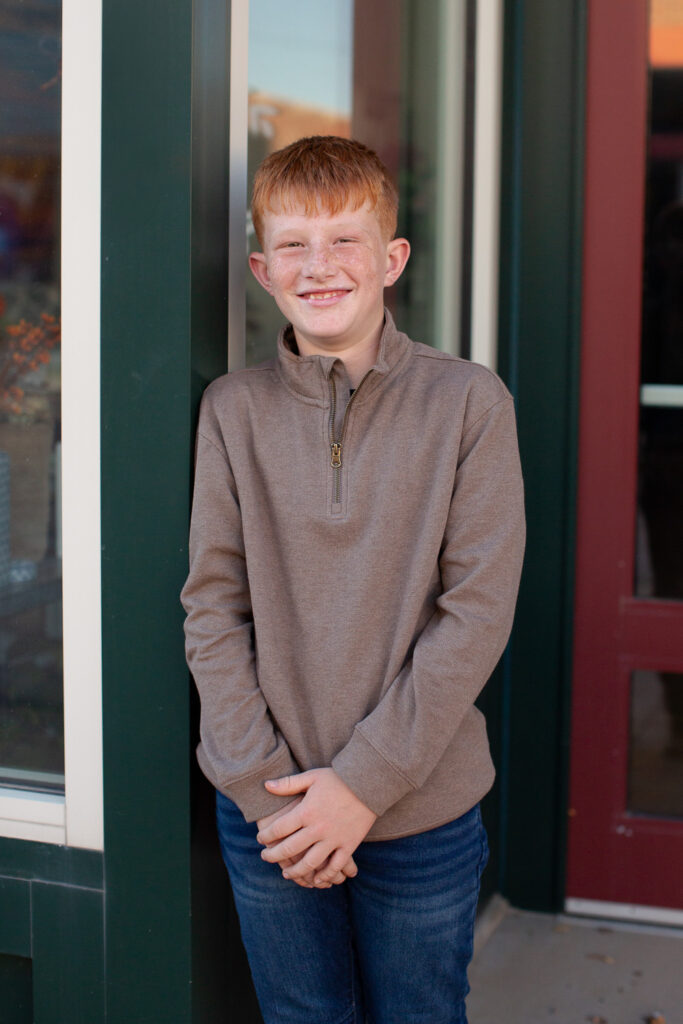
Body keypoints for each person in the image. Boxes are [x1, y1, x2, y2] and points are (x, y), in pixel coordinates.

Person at [181, 135, 525, 1024]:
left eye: (345, 240)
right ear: (262, 269)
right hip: (270, 810)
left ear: (392, 259)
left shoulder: (467, 403)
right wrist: (268, 795)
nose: (319, 265)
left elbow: (476, 611)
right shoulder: (231, 410)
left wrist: (363, 786)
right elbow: (212, 608)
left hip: (420, 811)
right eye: (293, 244)